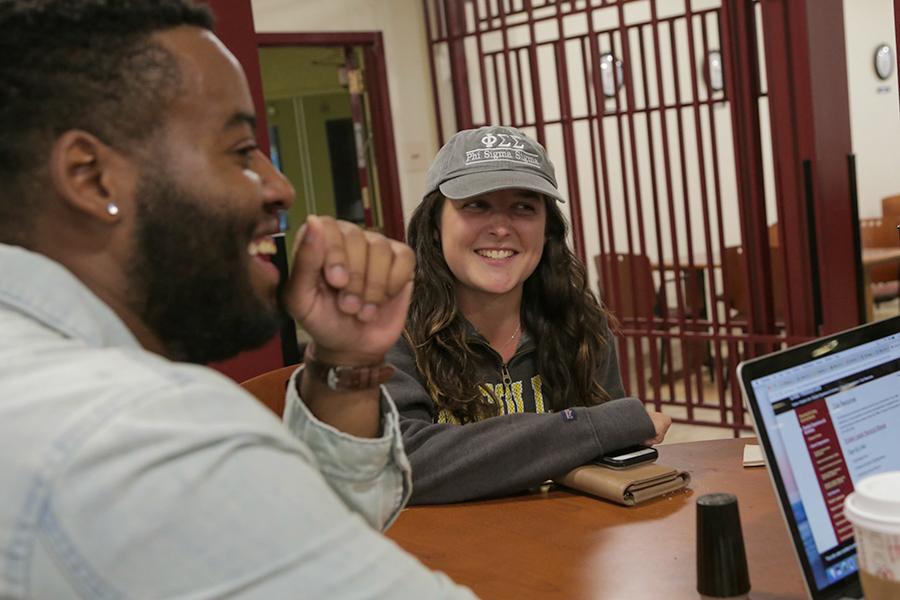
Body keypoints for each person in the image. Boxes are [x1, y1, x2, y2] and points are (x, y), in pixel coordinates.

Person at [0, 1, 476, 597]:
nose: (279, 186)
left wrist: (345, 365)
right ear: (93, 178)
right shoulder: (134, 434)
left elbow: (285, 544)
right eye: (240, 150)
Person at [386, 126, 673, 504]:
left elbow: (609, 465)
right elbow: (402, 463)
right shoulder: (390, 330)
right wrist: (599, 426)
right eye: (476, 204)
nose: (501, 228)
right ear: (435, 226)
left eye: (523, 207)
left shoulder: (579, 324)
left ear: (547, 229)